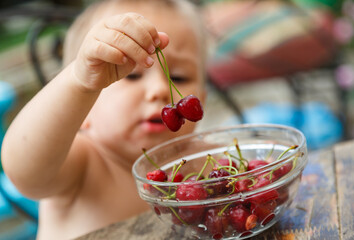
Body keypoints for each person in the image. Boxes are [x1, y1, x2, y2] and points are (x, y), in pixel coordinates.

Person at [1, 0, 207, 239]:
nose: (159, 90)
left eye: (179, 78)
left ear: (202, 97)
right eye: (132, 76)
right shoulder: (82, 164)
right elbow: (26, 171)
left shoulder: (204, 164)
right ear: (83, 108)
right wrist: (78, 83)